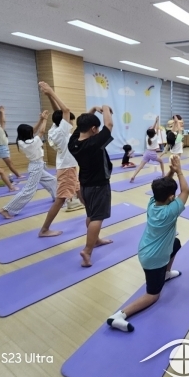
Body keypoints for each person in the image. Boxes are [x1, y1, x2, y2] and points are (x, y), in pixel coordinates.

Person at [107, 155, 189, 332]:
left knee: (175, 243)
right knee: (153, 295)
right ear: (171, 197)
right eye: (173, 195)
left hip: (146, 249)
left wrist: (171, 172)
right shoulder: (170, 212)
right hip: (153, 259)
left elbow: (164, 189)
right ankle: (119, 316)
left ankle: (166, 274)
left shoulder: (152, 202)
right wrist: (179, 171)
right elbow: (186, 191)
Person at [69, 105, 115, 267]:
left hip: (85, 186)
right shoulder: (94, 143)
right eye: (97, 128)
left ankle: (95, 240)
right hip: (99, 186)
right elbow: (109, 125)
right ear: (94, 129)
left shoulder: (73, 142)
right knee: (97, 217)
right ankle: (87, 251)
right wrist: (105, 108)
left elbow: (80, 125)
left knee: (91, 214)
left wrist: (93, 110)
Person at [38, 82, 84, 237]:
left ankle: (92, 215)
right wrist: (51, 92)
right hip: (67, 169)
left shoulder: (54, 129)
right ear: (65, 121)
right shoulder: (62, 132)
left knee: (80, 192)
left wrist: (50, 97)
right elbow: (65, 110)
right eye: (70, 120)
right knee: (60, 199)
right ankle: (44, 229)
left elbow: (58, 112)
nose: (71, 123)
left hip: (67, 167)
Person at [0, 111, 57, 219]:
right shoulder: (30, 143)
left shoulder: (22, 141)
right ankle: (6, 209)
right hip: (36, 167)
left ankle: (57, 197)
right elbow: (41, 131)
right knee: (29, 191)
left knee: (52, 180)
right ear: (27, 134)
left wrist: (40, 119)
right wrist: (45, 119)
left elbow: (33, 130)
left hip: (37, 165)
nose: (32, 132)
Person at [130, 116, 166, 182]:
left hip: (146, 153)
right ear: (154, 133)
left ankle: (133, 176)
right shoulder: (155, 137)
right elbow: (157, 128)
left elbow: (152, 129)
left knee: (141, 165)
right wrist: (157, 121)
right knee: (161, 161)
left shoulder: (147, 137)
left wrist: (155, 121)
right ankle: (163, 174)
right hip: (152, 154)